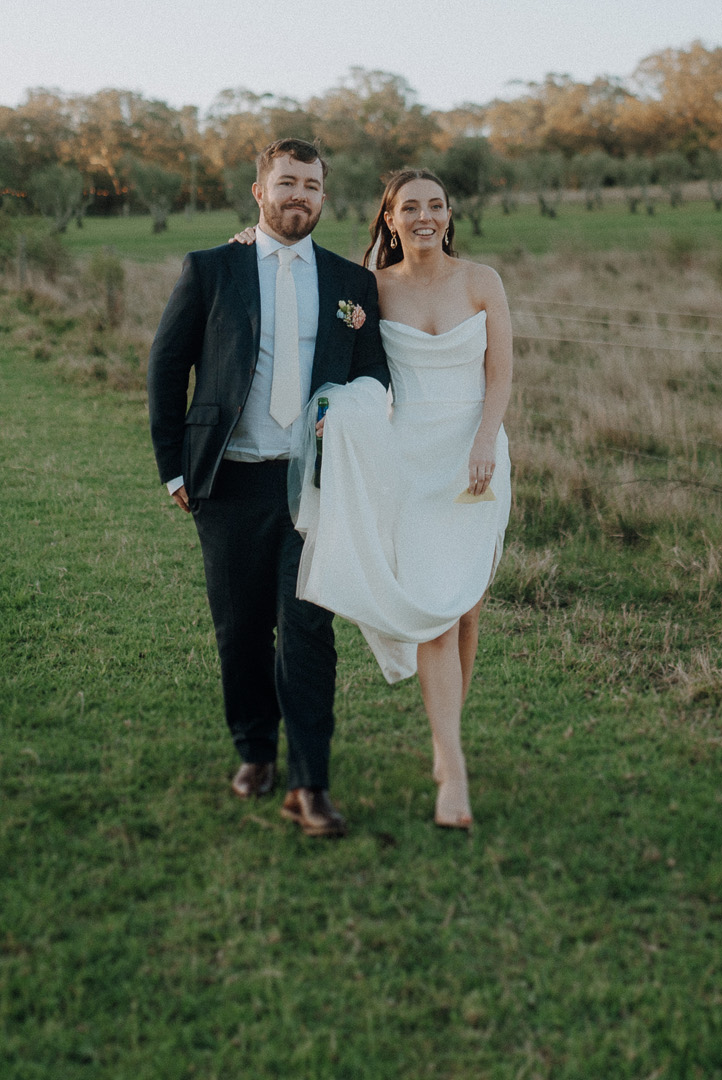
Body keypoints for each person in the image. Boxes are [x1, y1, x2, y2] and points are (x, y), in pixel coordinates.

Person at [145, 140, 391, 839]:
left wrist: (348, 425)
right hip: (228, 485)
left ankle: (310, 783)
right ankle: (254, 750)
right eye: (286, 183)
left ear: (322, 197)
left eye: (312, 186)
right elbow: (167, 372)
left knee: (309, 631)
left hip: (313, 488)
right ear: (259, 192)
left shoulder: (352, 285)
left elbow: (374, 377)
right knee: (241, 631)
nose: (299, 197)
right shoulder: (212, 269)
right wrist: (175, 469)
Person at [290, 168, 512, 831]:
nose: (424, 215)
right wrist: (343, 412)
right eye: (409, 206)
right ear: (389, 218)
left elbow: (499, 374)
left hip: (475, 455)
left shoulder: (482, 281)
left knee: (467, 604)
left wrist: (483, 442)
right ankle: (454, 769)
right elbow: (352, 361)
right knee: (436, 611)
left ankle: (448, 745)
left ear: (449, 215)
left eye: (435, 205)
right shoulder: (371, 288)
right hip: (409, 463)